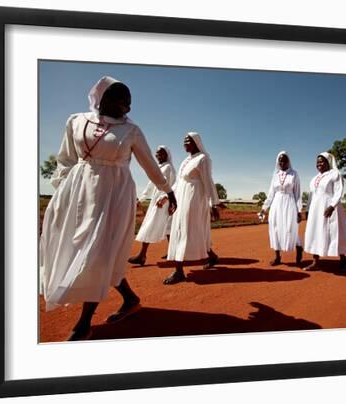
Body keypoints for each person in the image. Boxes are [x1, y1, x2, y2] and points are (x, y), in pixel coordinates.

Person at [39, 76, 177, 341]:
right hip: (78, 191)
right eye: (122, 99)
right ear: (102, 97)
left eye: (130, 101)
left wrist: (168, 191)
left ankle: (84, 324)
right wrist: (62, 193)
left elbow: (149, 164)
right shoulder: (76, 121)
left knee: (100, 252)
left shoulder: (131, 130)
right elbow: (65, 159)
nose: (128, 106)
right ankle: (130, 298)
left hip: (114, 195)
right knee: (86, 250)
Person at [164, 132, 220, 285]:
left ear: (196, 142)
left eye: (188, 141)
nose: (185, 143)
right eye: (184, 141)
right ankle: (212, 256)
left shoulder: (203, 159)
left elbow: (208, 181)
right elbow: (179, 181)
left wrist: (214, 203)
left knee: (186, 230)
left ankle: (179, 271)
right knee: (187, 229)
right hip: (181, 197)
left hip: (194, 199)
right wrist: (168, 196)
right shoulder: (186, 160)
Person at [303, 152, 346, 270]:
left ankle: (343, 258)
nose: (319, 164)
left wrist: (331, 206)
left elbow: (338, 192)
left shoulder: (335, 174)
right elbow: (311, 196)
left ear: (328, 162)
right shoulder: (314, 178)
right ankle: (315, 261)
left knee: (335, 233)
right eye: (317, 162)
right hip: (316, 210)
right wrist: (308, 209)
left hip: (330, 208)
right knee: (315, 232)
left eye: (322, 161)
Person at [128, 146, 177, 265]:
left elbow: (173, 185)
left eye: (161, 153)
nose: (158, 155)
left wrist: (165, 198)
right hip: (155, 199)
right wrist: (142, 198)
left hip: (163, 201)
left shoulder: (169, 168)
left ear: (167, 155)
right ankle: (173, 252)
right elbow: (151, 185)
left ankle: (142, 255)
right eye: (157, 153)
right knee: (167, 227)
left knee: (151, 225)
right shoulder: (158, 168)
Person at [260, 151, 303, 266]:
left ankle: (299, 247)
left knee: (290, 228)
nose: (282, 162)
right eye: (280, 160)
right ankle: (277, 257)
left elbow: (298, 194)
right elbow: (270, 194)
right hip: (276, 204)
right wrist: (265, 208)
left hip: (290, 203)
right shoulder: (275, 176)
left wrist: (299, 211)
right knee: (275, 228)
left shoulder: (294, 174)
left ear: (289, 161)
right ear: (278, 162)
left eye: (285, 160)